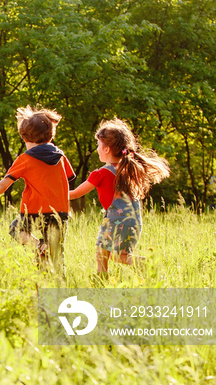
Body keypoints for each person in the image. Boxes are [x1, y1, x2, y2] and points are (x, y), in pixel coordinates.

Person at [0, 106, 75, 276]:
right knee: (57, 254)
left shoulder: (26, 158)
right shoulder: (61, 157)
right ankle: (58, 289)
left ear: (26, 137)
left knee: (16, 230)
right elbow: (70, 179)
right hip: (60, 212)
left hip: (34, 211)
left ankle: (39, 246)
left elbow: (3, 185)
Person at [69, 118, 170, 277]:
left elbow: (75, 194)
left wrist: (52, 194)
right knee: (102, 250)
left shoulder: (101, 174)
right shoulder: (127, 170)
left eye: (98, 145)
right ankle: (101, 279)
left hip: (117, 221)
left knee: (116, 256)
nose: (97, 149)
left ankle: (148, 264)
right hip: (133, 220)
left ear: (107, 149)